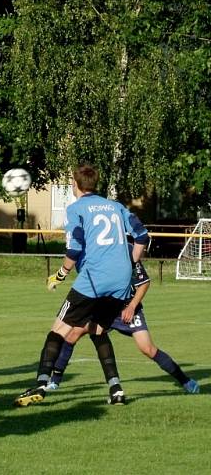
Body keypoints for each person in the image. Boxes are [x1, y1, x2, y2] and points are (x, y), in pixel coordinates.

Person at [13, 163, 149, 407]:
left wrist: (60, 275)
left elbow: (74, 248)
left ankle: (41, 385)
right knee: (97, 331)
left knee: (57, 330)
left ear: (75, 185)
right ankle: (116, 389)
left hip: (95, 280)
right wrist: (130, 262)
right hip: (121, 283)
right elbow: (142, 236)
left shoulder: (76, 208)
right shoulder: (116, 206)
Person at [47, 254, 199, 394]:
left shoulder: (129, 252)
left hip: (128, 309)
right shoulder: (99, 250)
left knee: (147, 348)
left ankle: (186, 381)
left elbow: (144, 283)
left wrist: (132, 306)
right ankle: (55, 380)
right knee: (73, 334)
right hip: (105, 307)